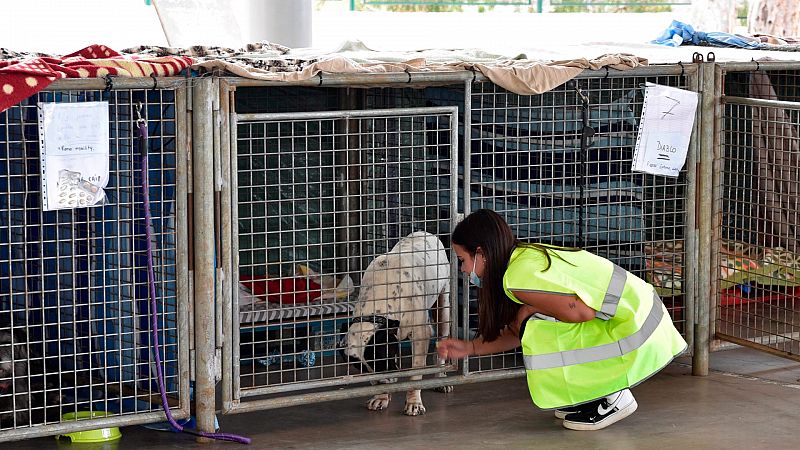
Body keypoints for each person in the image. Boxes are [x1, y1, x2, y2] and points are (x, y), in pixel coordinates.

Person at [437, 209, 687, 431]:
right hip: (645, 319)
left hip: (637, 330)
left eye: (463, 260)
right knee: (531, 320)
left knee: (536, 324)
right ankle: (593, 395)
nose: (463, 270)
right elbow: (516, 330)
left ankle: (613, 396)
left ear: (481, 253)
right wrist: (470, 347)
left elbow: (582, 313)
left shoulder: (516, 277)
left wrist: (526, 312)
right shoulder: (523, 258)